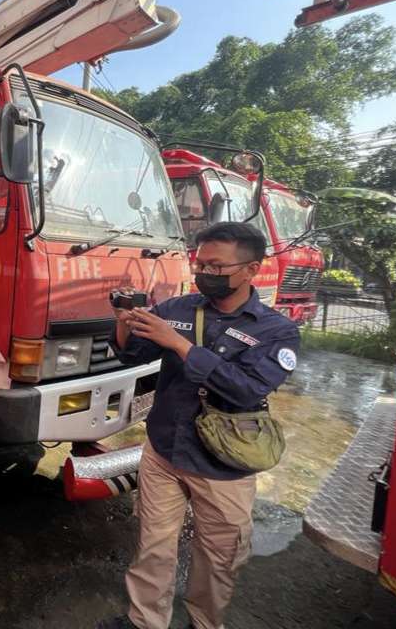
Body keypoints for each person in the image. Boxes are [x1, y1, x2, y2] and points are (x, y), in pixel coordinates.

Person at [100, 222, 300, 629]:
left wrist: (179, 345)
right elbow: (132, 355)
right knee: (153, 545)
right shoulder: (177, 309)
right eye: (200, 262)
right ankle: (145, 621)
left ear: (251, 270)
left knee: (218, 556)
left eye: (216, 265)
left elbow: (246, 390)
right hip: (163, 450)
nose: (204, 271)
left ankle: (204, 622)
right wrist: (124, 321)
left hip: (223, 463)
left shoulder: (276, 330)